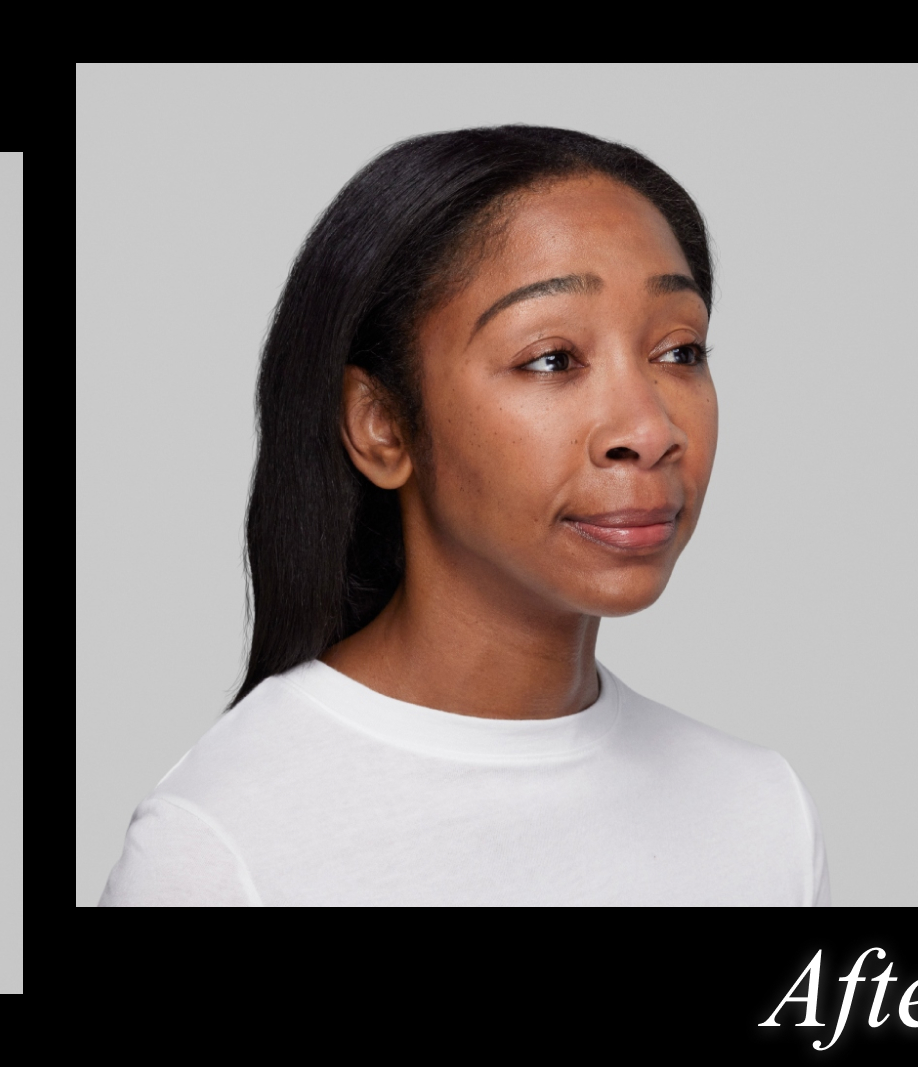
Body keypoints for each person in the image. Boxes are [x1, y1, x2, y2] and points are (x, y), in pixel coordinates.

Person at [100, 126, 830, 906]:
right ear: (382, 425)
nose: (648, 431)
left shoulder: (760, 814)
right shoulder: (223, 848)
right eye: (552, 359)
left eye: (680, 351)